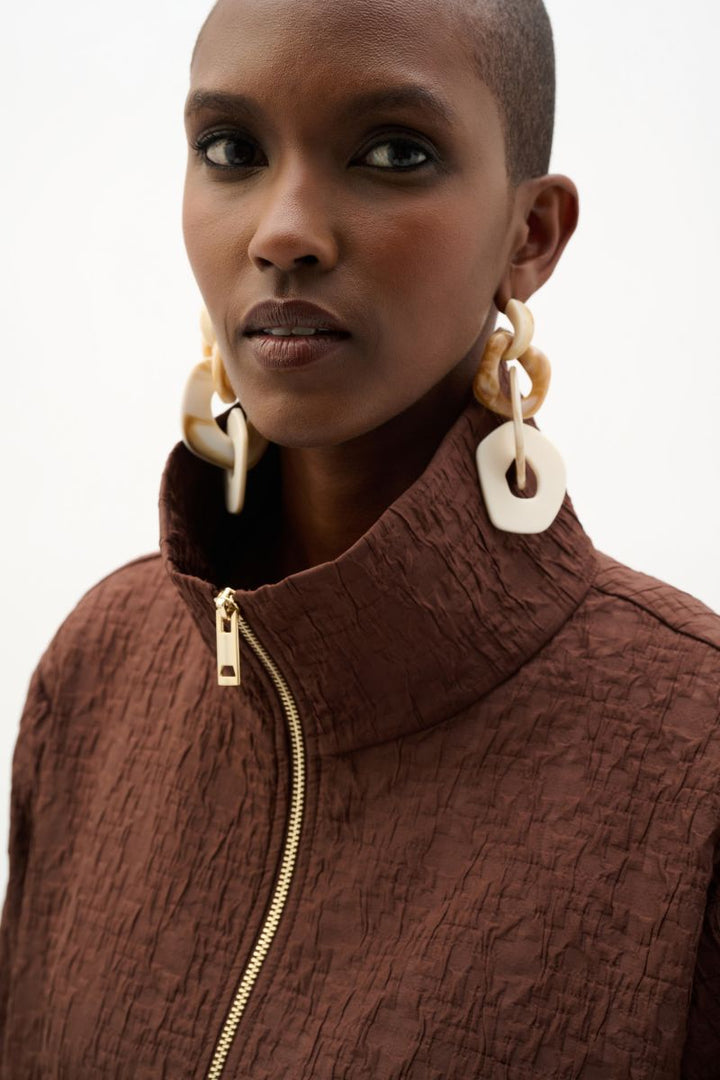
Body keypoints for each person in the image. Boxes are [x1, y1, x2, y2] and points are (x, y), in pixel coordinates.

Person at [1, 0, 718, 1076]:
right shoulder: (99, 671)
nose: (282, 229)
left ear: (532, 236)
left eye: (393, 151)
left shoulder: (695, 758)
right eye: (231, 149)